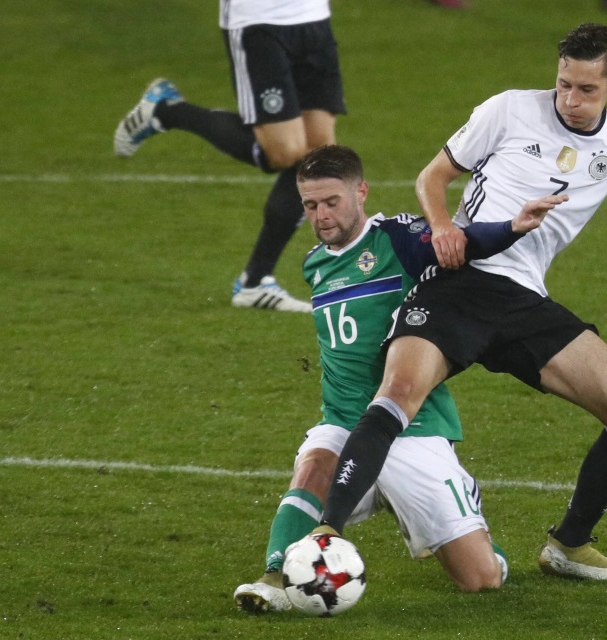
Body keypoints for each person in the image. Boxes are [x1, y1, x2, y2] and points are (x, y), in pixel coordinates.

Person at [313, 23, 607, 583]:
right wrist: (443, 228)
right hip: (459, 281)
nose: (570, 100)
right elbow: (434, 175)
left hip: (522, 301)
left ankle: (569, 545)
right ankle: (328, 533)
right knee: (396, 394)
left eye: (586, 89)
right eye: (563, 85)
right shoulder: (510, 110)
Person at [233, 145, 564, 612]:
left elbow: (459, 244)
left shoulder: (397, 240)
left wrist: (512, 227)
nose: (322, 216)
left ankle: (471, 534)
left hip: (411, 426)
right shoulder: (315, 263)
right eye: (310, 205)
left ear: (361, 192)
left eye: (332, 202)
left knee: (480, 580)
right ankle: (275, 578)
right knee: (313, 465)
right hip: (346, 419)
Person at [113, 0, 348, 312]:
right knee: (285, 152)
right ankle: (167, 112)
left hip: (313, 18)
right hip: (258, 22)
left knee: (319, 159)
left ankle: (255, 281)